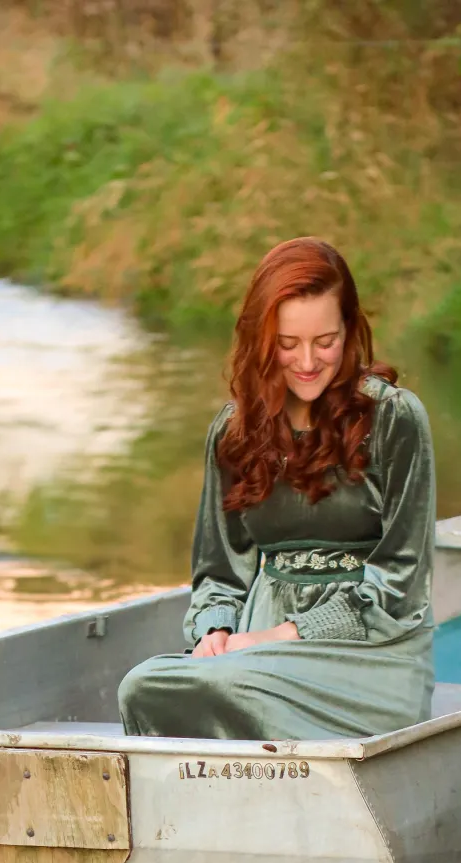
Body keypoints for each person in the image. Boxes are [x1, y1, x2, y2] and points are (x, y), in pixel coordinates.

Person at [118, 237, 436, 742]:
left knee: (239, 690)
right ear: (262, 341)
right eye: (288, 345)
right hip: (252, 652)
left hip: (372, 651)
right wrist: (216, 633)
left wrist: (280, 637)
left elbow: (401, 581)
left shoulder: (394, 418)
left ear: (350, 331)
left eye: (325, 341)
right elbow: (220, 573)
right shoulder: (233, 432)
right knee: (142, 687)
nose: (308, 362)